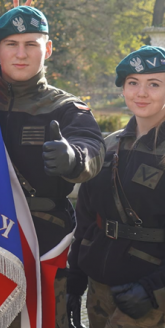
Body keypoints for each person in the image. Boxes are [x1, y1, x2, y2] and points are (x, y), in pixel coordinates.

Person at [0, 5, 105, 328]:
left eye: (31, 44)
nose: (21, 54)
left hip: (37, 247)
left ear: (48, 49)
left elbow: (92, 150)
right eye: (12, 44)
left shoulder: (65, 108)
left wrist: (74, 158)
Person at [66, 46, 165, 328]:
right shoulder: (109, 146)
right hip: (100, 290)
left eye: (154, 84)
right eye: (133, 83)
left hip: (149, 297)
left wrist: (154, 290)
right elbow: (86, 218)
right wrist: (76, 278)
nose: (141, 93)